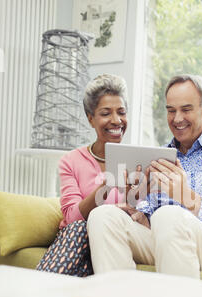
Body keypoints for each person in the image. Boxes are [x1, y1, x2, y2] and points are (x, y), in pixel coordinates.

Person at [87, 74, 202, 278]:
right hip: (164, 238)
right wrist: (140, 213)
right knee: (103, 216)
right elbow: (152, 211)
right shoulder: (160, 155)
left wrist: (188, 198)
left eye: (186, 109)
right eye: (171, 111)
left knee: (169, 214)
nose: (177, 118)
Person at [36, 73, 131, 277]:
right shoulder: (71, 161)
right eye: (106, 113)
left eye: (121, 112)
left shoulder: (136, 161)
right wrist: (105, 187)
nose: (116, 120)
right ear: (91, 119)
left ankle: (41, 289)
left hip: (114, 239)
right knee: (79, 228)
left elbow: (140, 217)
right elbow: (72, 218)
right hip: (77, 239)